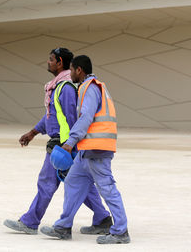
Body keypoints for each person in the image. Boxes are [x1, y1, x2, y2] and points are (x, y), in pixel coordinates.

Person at [3, 48, 111, 235]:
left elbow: (71, 119)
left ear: (60, 62)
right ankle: (102, 219)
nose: (48, 62)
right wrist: (33, 132)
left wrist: (67, 146)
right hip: (63, 144)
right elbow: (52, 116)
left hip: (62, 145)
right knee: (78, 183)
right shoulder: (58, 86)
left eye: (51, 59)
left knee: (49, 182)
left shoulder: (66, 88)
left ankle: (30, 222)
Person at [40, 55, 130, 244]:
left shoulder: (89, 88)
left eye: (71, 70)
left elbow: (86, 117)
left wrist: (70, 142)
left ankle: (120, 231)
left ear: (79, 70)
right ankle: (63, 227)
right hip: (87, 150)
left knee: (107, 189)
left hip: (97, 148)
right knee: (73, 182)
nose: (69, 73)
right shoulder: (90, 87)